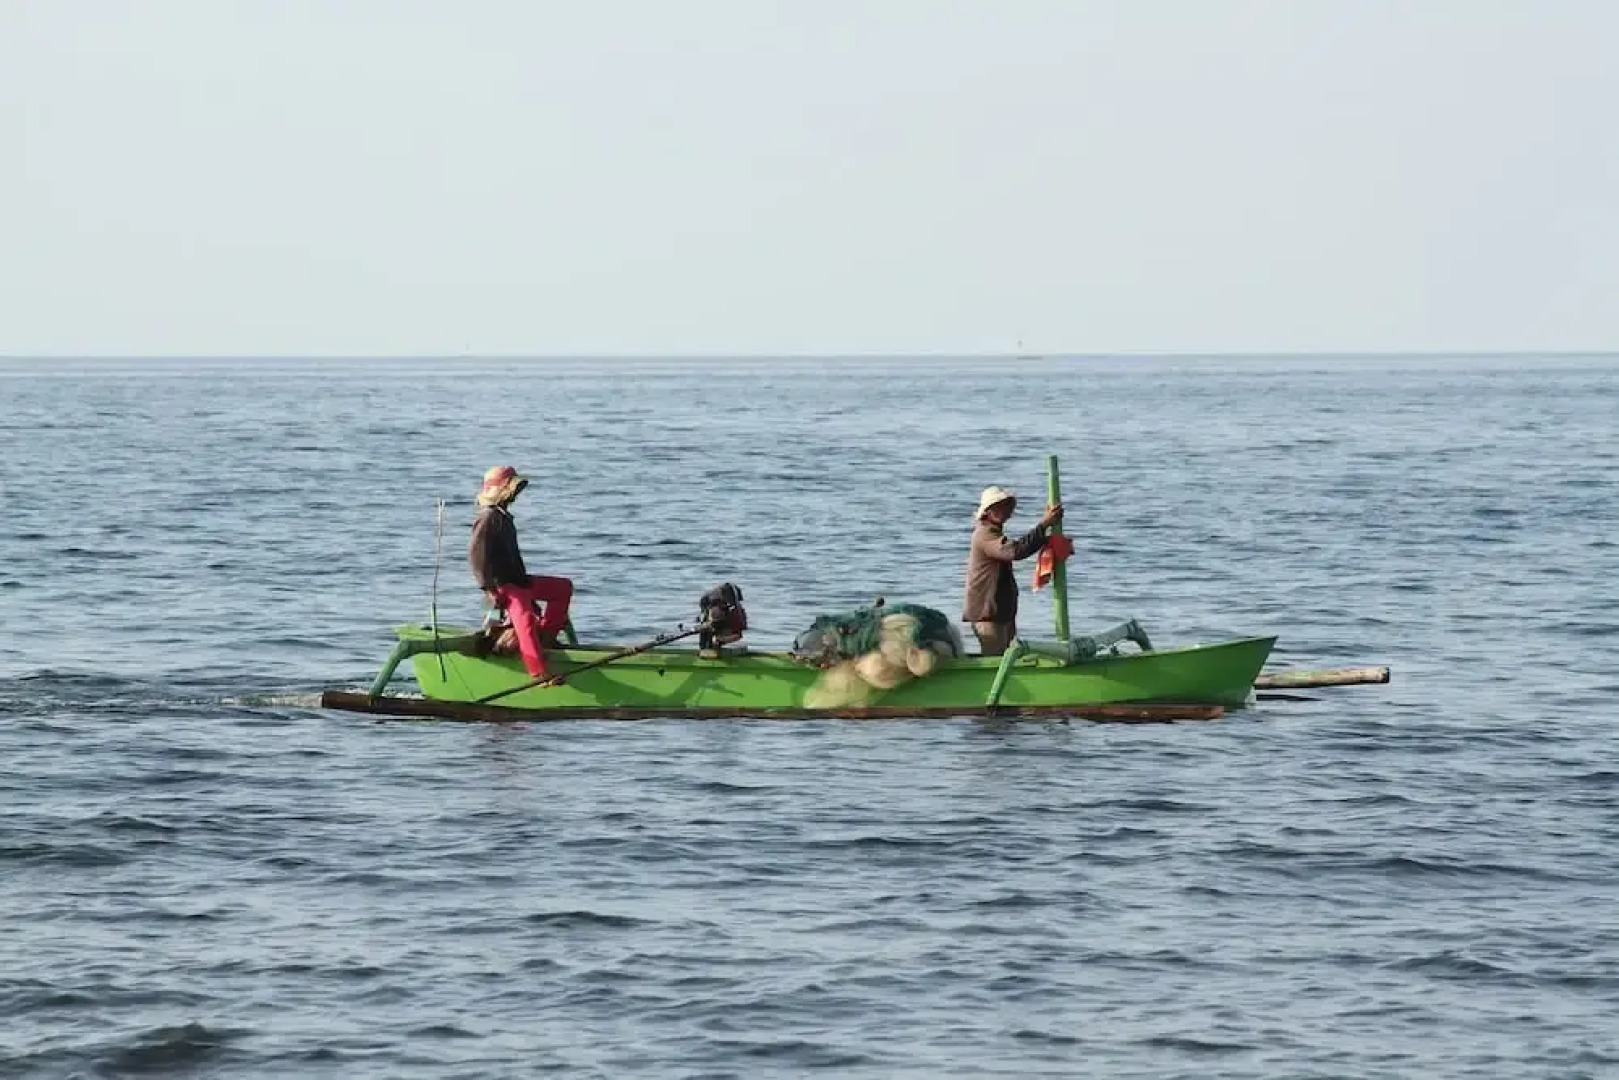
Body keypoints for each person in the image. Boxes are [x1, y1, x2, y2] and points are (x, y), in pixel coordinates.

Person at [468, 465, 574, 679]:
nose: (515, 495)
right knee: (524, 620)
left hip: (519, 581)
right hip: (504, 585)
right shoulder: (488, 518)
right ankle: (538, 672)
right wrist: (489, 589)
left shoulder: (503, 516)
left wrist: (524, 582)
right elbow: (477, 556)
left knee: (562, 588)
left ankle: (545, 638)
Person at [961, 485, 1063, 656]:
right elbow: (1016, 551)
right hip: (988, 614)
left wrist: (1044, 538)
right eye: (999, 506)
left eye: (1006, 506)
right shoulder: (984, 534)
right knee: (996, 661)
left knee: (1006, 657)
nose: (1004, 510)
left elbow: (1019, 548)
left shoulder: (993, 533)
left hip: (1000, 612)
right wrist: (1044, 524)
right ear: (988, 512)